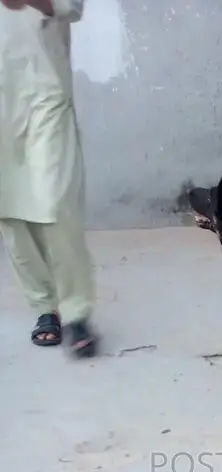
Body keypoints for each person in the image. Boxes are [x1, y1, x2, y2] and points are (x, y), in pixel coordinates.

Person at [0, 0, 97, 357]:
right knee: (9, 208)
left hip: (45, 94)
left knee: (56, 202)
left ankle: (77, 311)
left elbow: (72, 7)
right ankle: (45, 307)